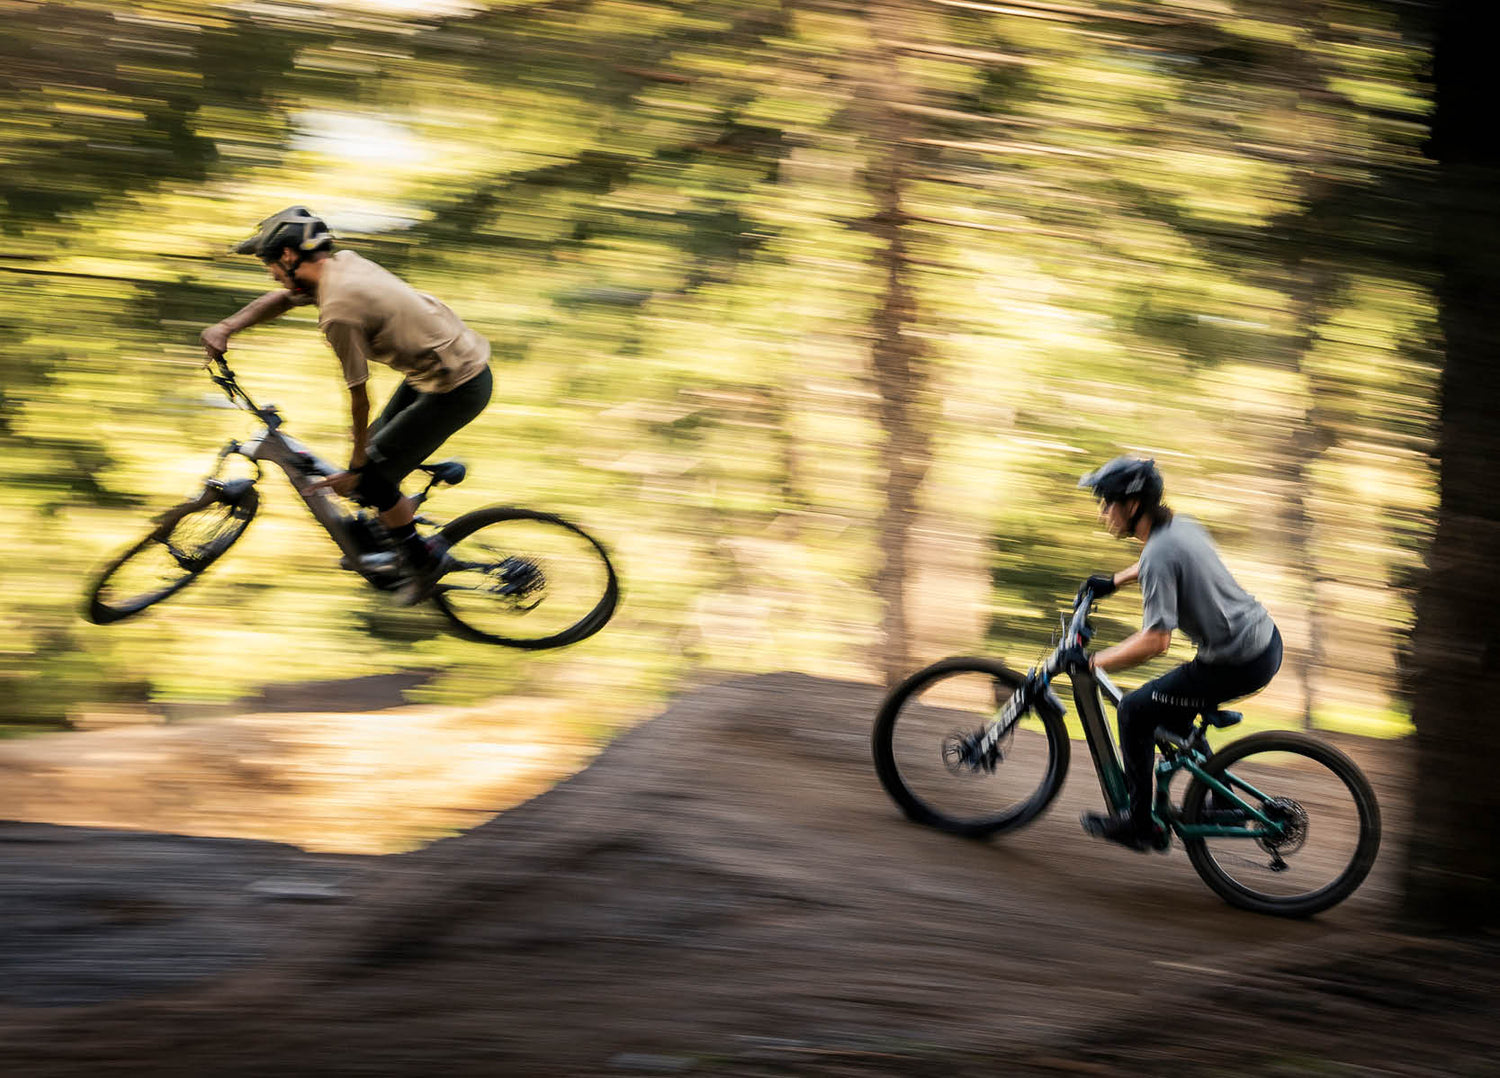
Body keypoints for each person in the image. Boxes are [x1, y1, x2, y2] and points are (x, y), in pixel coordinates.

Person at [200, 207, 493, 605]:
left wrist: (357, 468)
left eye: (269, 264)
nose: (270, 274)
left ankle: (423, 563)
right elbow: (284, 299)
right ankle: (394, 519)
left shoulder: (339, 311)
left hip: (458, 386)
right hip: (435, 371)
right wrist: (226, 327)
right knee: (369, 465)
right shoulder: (342, 266)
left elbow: (359, 397)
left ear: (288, 256)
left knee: (369, 480)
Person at [1074, 456, 1282, 851]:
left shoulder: (1158, 554)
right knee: (1169, 708)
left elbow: (1156, 641)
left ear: (1133, 505)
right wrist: (1113, 582)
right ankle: (1222, 799)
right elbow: (1159, 559)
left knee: (1134, 710)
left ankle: (1140, 825)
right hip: (1263, 641)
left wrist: (1092, 662)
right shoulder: (1179, 526)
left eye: (1107, 502)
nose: (1102, 512)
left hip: (1236, 662)